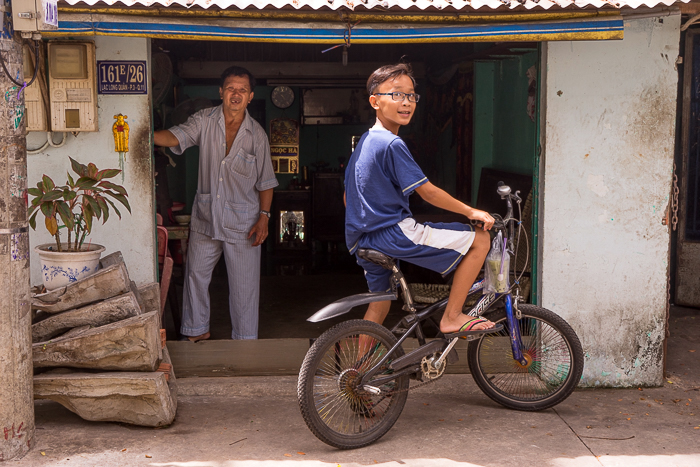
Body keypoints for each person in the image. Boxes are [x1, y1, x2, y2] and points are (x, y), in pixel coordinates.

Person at [345, 63, 497, 335]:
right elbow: (427, 191)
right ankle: (452, 316)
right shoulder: (391, 144)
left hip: (361, 239)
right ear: (374, 101)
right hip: (392, 234)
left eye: (412, 95)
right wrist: (471, 211)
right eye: (396, 94)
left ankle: (356, 370)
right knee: (481, 240)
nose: (406, 102)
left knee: (379, 304)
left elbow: (348, 198)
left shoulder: (365, 142)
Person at [154, 66, 278, 341]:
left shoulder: (256, 135)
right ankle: (197, 332)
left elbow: (266, 181)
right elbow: (176, 136)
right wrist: (142, 133)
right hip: (206, 219)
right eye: (231, 88)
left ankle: (245, 342)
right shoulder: (204, 121)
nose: (236, 94)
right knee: (195, 278)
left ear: (250, 96)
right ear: (221, 92)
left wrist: (264, 217)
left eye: (242, 90)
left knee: (244, 288)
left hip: (244, 223)